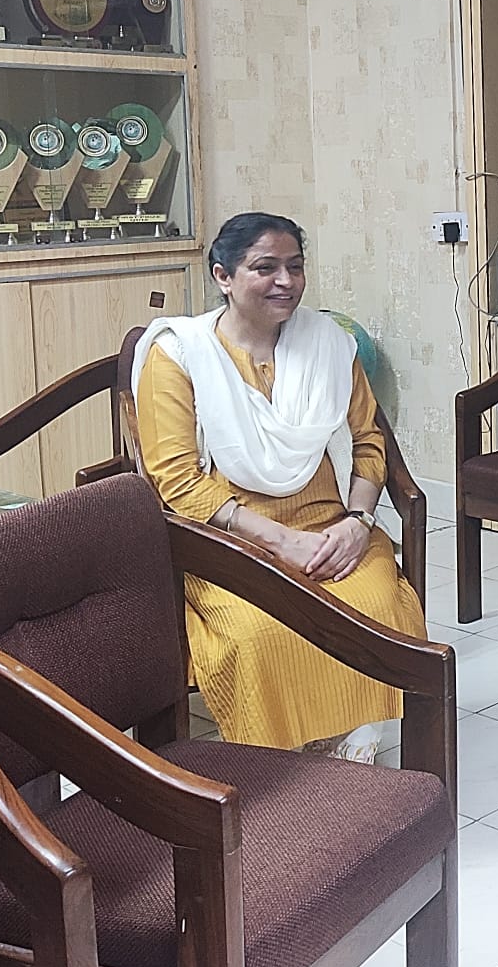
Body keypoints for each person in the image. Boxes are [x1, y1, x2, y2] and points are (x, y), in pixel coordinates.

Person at [132, 212, 426, 759]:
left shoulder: (329, 345)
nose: (285, 282)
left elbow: (369, 442)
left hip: (331, 529)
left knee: (377, 604)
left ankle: (352, 729)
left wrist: (358, 522)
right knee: (256, 630)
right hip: (228, 539)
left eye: (295, 266)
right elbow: (176, 479)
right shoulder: (179, 356)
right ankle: (279, 758)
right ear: (223, 276)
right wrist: (280, 542)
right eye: (265, 268)